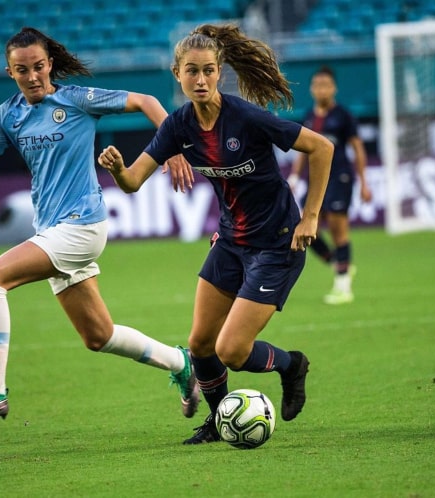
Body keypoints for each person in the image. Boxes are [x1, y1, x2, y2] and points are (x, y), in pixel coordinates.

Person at [0, 27, 199, 422]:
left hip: (81, 227)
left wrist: (172, 148)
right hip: (51, 231)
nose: (32, 76)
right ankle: (182, 364)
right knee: (99, 336)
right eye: (21, 69)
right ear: (9, 71)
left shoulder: (77, 99)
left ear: (50, 65)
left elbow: (148, 100)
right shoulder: (8, 115)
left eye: (38, 67)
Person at [97, 23, 334, 444]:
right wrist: (117, 169)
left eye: (208, 71)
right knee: (200, 344)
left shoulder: (246, 117)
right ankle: (218, 421)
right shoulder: (178, 127)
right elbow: (133, 182)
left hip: (277, 244)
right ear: (177, 75)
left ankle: (291, 364)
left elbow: (322, 147)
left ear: (220, 71)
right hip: (230, 242)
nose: (201, 79)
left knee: (232, 351)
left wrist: (311, 216)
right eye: (192, 71)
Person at [288, 66, 372, 305]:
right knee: (303, 226)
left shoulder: (343, 115)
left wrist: (364, 182)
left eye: (326, 85)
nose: (321, 90)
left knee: (338, 229)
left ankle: (343, 287)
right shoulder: (308, 117)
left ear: (333, 88)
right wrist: (294, 176)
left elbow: (357, 148)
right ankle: (340, 263)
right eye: (317, 85)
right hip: (315, 182)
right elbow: (303, 151)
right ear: (312, 89)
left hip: (340, 178)